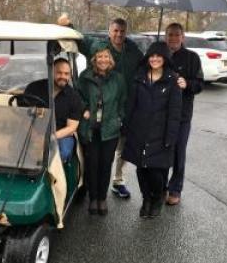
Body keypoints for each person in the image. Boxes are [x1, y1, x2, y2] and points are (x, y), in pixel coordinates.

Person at [58, 14, 143, 199]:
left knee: (121, 146)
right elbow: (79, 39)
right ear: (109, 31)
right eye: (115, 31)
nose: (119, 34)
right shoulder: (98, 45)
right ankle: (87, 185)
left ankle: (118, 180)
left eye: (122, 31)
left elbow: (146, 65)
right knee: (93, 153)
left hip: (122, 106)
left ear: (125, 32)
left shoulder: (133, 50)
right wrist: (68, 24)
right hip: (97, 109)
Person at [122, 42, 182, 218]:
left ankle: (156, 199)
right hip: (139, 131)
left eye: (158, 56)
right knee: (141, 169)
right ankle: (146, 199)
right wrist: (126, 126)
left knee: (156, 171)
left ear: (164, 58)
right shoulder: (139, 77)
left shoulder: (172, 80)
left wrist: (171, 136)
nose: (155, 59)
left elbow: (175, 113)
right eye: (152, 56)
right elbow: (131, 105)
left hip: (160, 134)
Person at [77, 41, 126, 215]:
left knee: (106, 165)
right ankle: (92, 198)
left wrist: (119, 118)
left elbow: (122, 101)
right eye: (99, 56)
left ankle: (102, 198)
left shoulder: (118, 79)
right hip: (90, 129)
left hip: (110, 130)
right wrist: (84, 109)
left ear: (111, 59)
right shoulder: (85, 77)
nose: (103, 59)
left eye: (106, 56)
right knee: (92, 164)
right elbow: (78, 95)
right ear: (94, 59)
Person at [163, 22, 204, 205]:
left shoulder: (192, 58)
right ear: (165, 36)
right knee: (161, 152)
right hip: (161, 114)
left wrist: (187, 84)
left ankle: (175, 189)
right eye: (170, 35)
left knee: (179, 152)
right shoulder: (158, 56)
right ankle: (160, 187)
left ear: (182, 37)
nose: (173, 38)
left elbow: (200, 84)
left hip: (182, 116)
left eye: (176, 35)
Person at [24, 58, 83, 162]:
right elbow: (23, 116)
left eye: (66, 74)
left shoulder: (74, 96)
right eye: (59, 73)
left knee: (63, 152)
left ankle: (57, 177)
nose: (63, 77)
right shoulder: (34, 88)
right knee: (14, 148)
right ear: (51, 71)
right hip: (34, 131)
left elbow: (71, 127)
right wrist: (35, 136)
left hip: (61, 134)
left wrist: (51, 137)